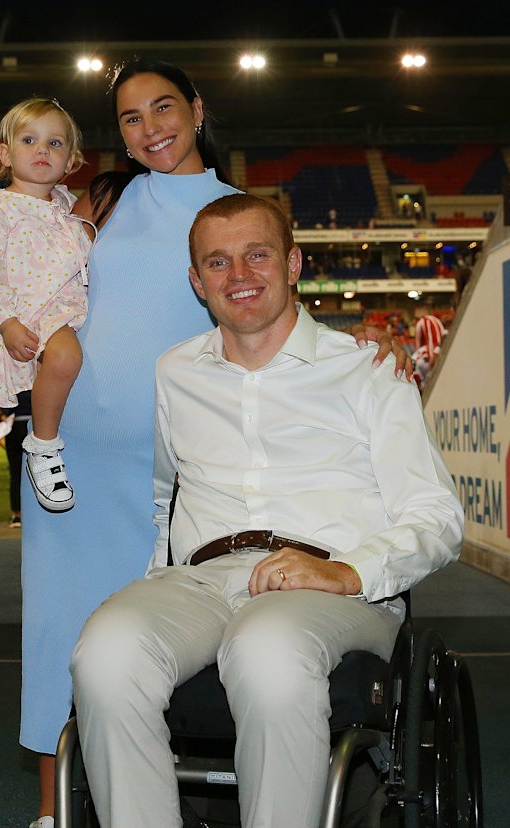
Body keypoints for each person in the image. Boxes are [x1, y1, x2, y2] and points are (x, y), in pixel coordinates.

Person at [18, 59, 412, 828]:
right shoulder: (100, 199)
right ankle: (52, 811)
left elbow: (267, 305)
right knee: (63, 631)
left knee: (174, 638)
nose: (150, 128)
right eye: (130, 118)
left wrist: (362, 336)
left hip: (188, 460)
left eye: (163, 108)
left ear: (197, 110)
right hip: (81, 458)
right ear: (118, 134)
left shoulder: (236, 209)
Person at [71, 194, 464, 828]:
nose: (240, 276)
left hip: (335, 586)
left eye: (258, 255)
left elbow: (438, 517)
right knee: (105, 651)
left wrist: (349, 571)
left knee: (268, 646)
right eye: (218, 263)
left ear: (293, 263)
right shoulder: (175, 372)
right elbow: (165, 492)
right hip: (202, 578)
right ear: (197, 282)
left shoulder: (365, 369)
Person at [0, 98, 93, 513]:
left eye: (55, 142)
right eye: (30, 140)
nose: (43, 150)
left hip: (72, 310)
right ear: (5, 154)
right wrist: (7, 322)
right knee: (63, 360)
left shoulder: (70, 206)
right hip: (26, 314)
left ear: (72, 159)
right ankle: (42, 448)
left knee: (76, 372)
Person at [0, 390, 32, 527]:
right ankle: (38, 514)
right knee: (38, 471)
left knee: (16, 473)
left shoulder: (8, 379)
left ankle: (17, 515)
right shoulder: (35, 375)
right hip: (34, 425)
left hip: (14, 425)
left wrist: (0, 415)